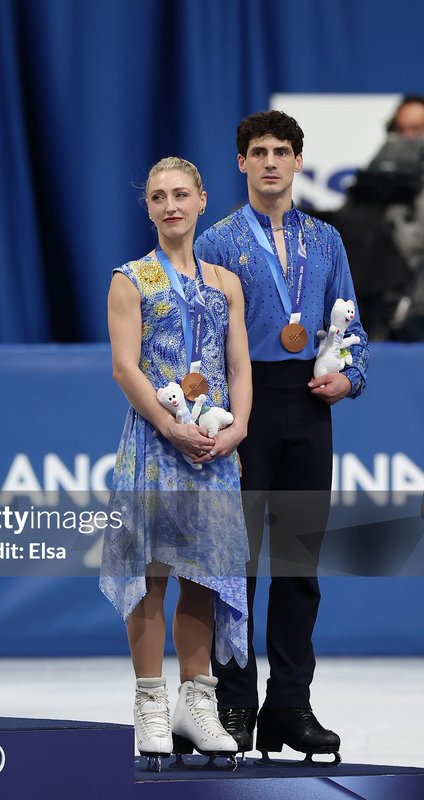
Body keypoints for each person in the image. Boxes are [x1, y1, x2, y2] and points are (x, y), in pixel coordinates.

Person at [195, 111, 370, 763]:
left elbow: (347, 325)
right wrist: (216, 419)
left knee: (298, 566)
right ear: (241, 164)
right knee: (232, 568)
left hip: (306, 406)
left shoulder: (326, 243)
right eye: (258, 152)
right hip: (241, 410)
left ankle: (291, 705)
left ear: (300, 161)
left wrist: (348, 377)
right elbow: (200, 341)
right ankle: (234, 703)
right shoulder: (215, 243)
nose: (271, 161)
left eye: (283, 151)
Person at [103, 157, 250, 768]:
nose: (170, 205)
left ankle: (198, 700)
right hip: (156, 448)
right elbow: (124, 367)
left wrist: (238, 428)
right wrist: (169, 425)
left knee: (204, 575)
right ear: (149, 208)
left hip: (214, 452)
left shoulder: (226, 283)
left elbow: (240, 365)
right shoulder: (130, 279)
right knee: (153, 575)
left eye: (181, 194)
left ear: (201, 201)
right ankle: (150, 702)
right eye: (159, 196)